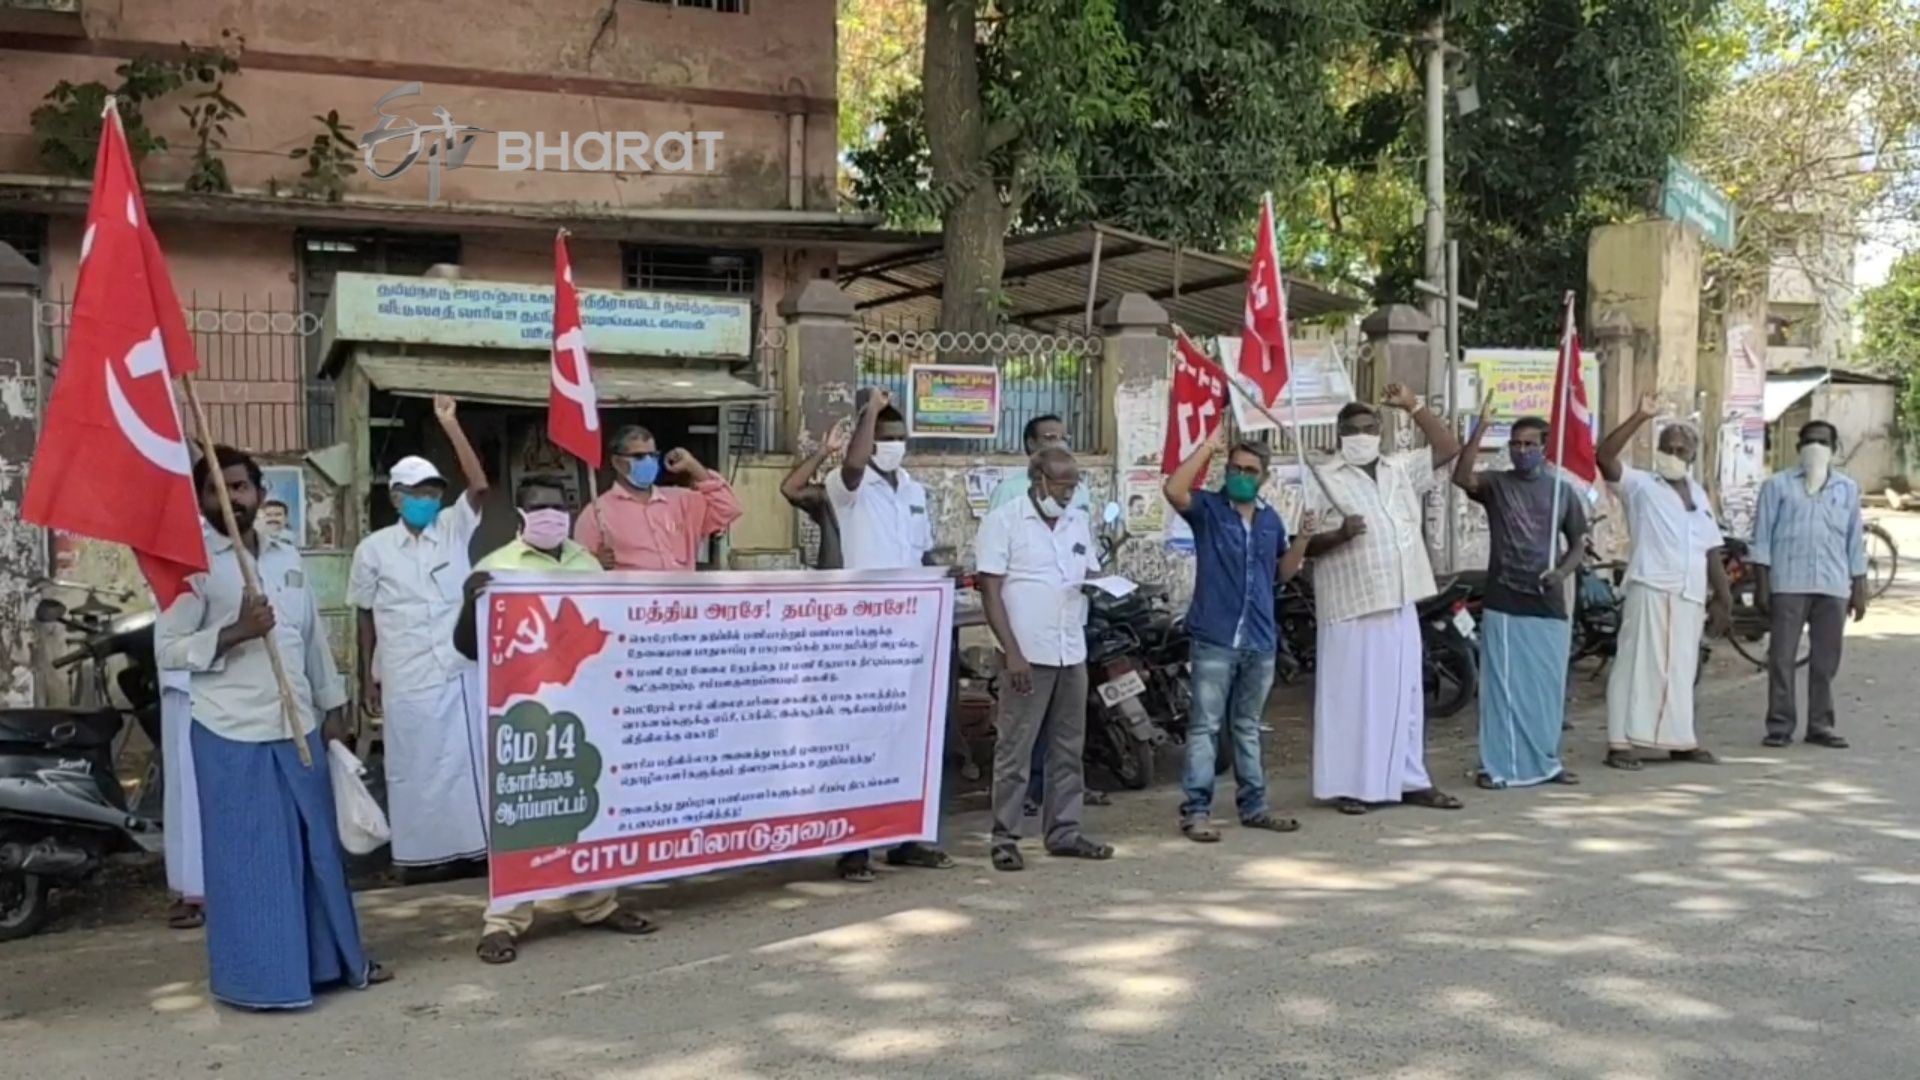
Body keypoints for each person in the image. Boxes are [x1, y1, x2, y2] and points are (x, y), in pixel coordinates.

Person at [155, 445, 391, 1010]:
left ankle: (337, 964)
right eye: (216, 489)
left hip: (299, 728)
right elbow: (167, 650)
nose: (230, 498)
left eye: (239, 487)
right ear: (201, 500)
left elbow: (308, 640)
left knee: (317, 854)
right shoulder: (190, 567)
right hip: (231, 735)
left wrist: (333, 711)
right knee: (253, 863)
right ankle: (262, 982)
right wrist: (234, 631)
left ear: (259, 493)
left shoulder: (287, 557)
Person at [452, 476, 660, 964]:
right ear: (521, 515)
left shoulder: (585, 564)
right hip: (522, 710)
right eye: (539, 507)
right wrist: (471, 601)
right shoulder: (496, 568)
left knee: (588, 803)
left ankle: (595, 903)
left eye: (558, 506)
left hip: (583, 707)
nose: (551, 515)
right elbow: (465, 647)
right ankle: (503, 922)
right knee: (522, 813)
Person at [1304, 384, 1466, 815]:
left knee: (1406, 697)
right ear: (1339, 434)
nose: (1360, 434)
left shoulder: (1400, 469)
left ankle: (1410, 779)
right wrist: (1338, 536)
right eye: (1351, 428)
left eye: (1368, 427)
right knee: (1353, 701)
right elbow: (1297, 544)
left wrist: (1413, 404)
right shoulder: (1322, 477)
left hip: (1399, 598)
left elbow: (1448, 446)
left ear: (1380, 430)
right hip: (1350, 604)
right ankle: (1353, 786)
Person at [348, 395, 490, 882]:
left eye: (432, 492)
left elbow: (479, 485)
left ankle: (474, 852)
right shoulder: (373, 551)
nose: (427, 500)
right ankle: (419, 860)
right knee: (414, 770)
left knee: (465, 767)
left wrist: (449, 423)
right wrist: (367, 676)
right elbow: (364, 616)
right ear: (395, 497)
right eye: (417, 492)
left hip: (456, 671)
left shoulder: (452, 530)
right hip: (406, 674)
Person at [824, 388, 956, 881]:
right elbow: (854, 464)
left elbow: (921, 554)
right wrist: (870, 413)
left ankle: (907, 838)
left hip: (912, 628)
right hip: (864, 630)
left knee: (910, 734)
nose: (893, 445)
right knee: (862, 735)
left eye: (900, 438)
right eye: (884, 437)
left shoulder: (915, 491)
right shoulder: (847, 485)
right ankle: (854, 849)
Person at [1163, 429, 1309, 841]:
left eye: (1249, 471)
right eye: (1234, 468)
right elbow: (1174, 489)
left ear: (1263, 477)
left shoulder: (1269, 519)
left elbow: (1282, 572)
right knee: (1205, 727)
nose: (1240, 475)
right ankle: (1196, 810)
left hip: (1259, 639)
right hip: (1215, 636)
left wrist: (1305, 538)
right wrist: (1207, 448)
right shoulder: (1209, 508)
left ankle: (1255, 806)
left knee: (1247, 726)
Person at [975, 446, 1115, 870]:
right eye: (1060, 485)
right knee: (1016, 748)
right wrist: (1012, 652)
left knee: (1068, 747)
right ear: (1037, 480)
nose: (1068, 493)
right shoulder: (1005, 521)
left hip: (1070, 648)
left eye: (1073, 485)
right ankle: (1005, 836)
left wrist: (1106, 582)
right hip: (1026, 652)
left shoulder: (1077, 521)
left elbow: (1086, 572)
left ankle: (1065, 832)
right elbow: (990, 590)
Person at [1451, 405, 1587, 789]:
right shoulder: (1498, 485)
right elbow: (1462, 477)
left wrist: (1560, 572)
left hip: (1548, 601)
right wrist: (1480, 431)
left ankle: (1547, 762)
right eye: (1515, 443)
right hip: (1506, 600)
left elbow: (1578, 542)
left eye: (1529, 444)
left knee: (1546, 688)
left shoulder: (1563, 491)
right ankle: (1498, 765)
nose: (1521, 450)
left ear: (1545, 448)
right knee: (1503, 688)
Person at [1594, 393, 1733, 769]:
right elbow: (1604, 457)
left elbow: (1710, 549)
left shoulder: (1700, 495)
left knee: (1682, 669)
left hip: (1689, 594)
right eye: (1667, 446)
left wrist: (1723, 596)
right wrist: (1640, 415)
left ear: (1692, 454)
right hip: (1651, 588)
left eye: (1680, 447)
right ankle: (1619, 744)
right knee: (1634, 665)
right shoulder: (1640, 485)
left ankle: (1680, 740)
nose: (1673, 452)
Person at [1749, 419, 1868, 749]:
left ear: (1834, 449)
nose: (1816, 448)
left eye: (1823, 442)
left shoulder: (1847, 489)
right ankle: (1780, 725)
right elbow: (1761, 539)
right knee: (1782, 657)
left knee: (1825, 660)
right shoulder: (1777, 486)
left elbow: (1855, 542)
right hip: (1788, 582)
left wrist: (1859, 586)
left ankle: (1820, 725)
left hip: (1832, 585)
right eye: (1810, 441)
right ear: (1799, 447)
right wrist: (1762, 585)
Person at [576, 425, 741, 571]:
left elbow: (728, 507)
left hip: (678, 603)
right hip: (633, 604)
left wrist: (692, 465)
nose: (648, 461)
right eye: (639, 456)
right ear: (617, 462)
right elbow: (577, 570)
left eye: (653, 455)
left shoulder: (681, 501)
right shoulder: (597, 513)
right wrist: (595, 563)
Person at [159, 663, 203, 929]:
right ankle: (191, 886)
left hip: (217, 676)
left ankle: (196, 886)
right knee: (184, 783)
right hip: (182, 674)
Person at [779, 424, 849, 570]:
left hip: (866, 584)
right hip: (830, 584)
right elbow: (790, 489)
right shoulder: (829, 495)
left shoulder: (879, 498)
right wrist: (825, 451)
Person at [988, 416, 1090, 513]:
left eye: (1064, 439)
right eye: (1051, 438)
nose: (1060, 444)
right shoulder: (1009, 490)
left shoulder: (1080, 490)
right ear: (1031, 443)